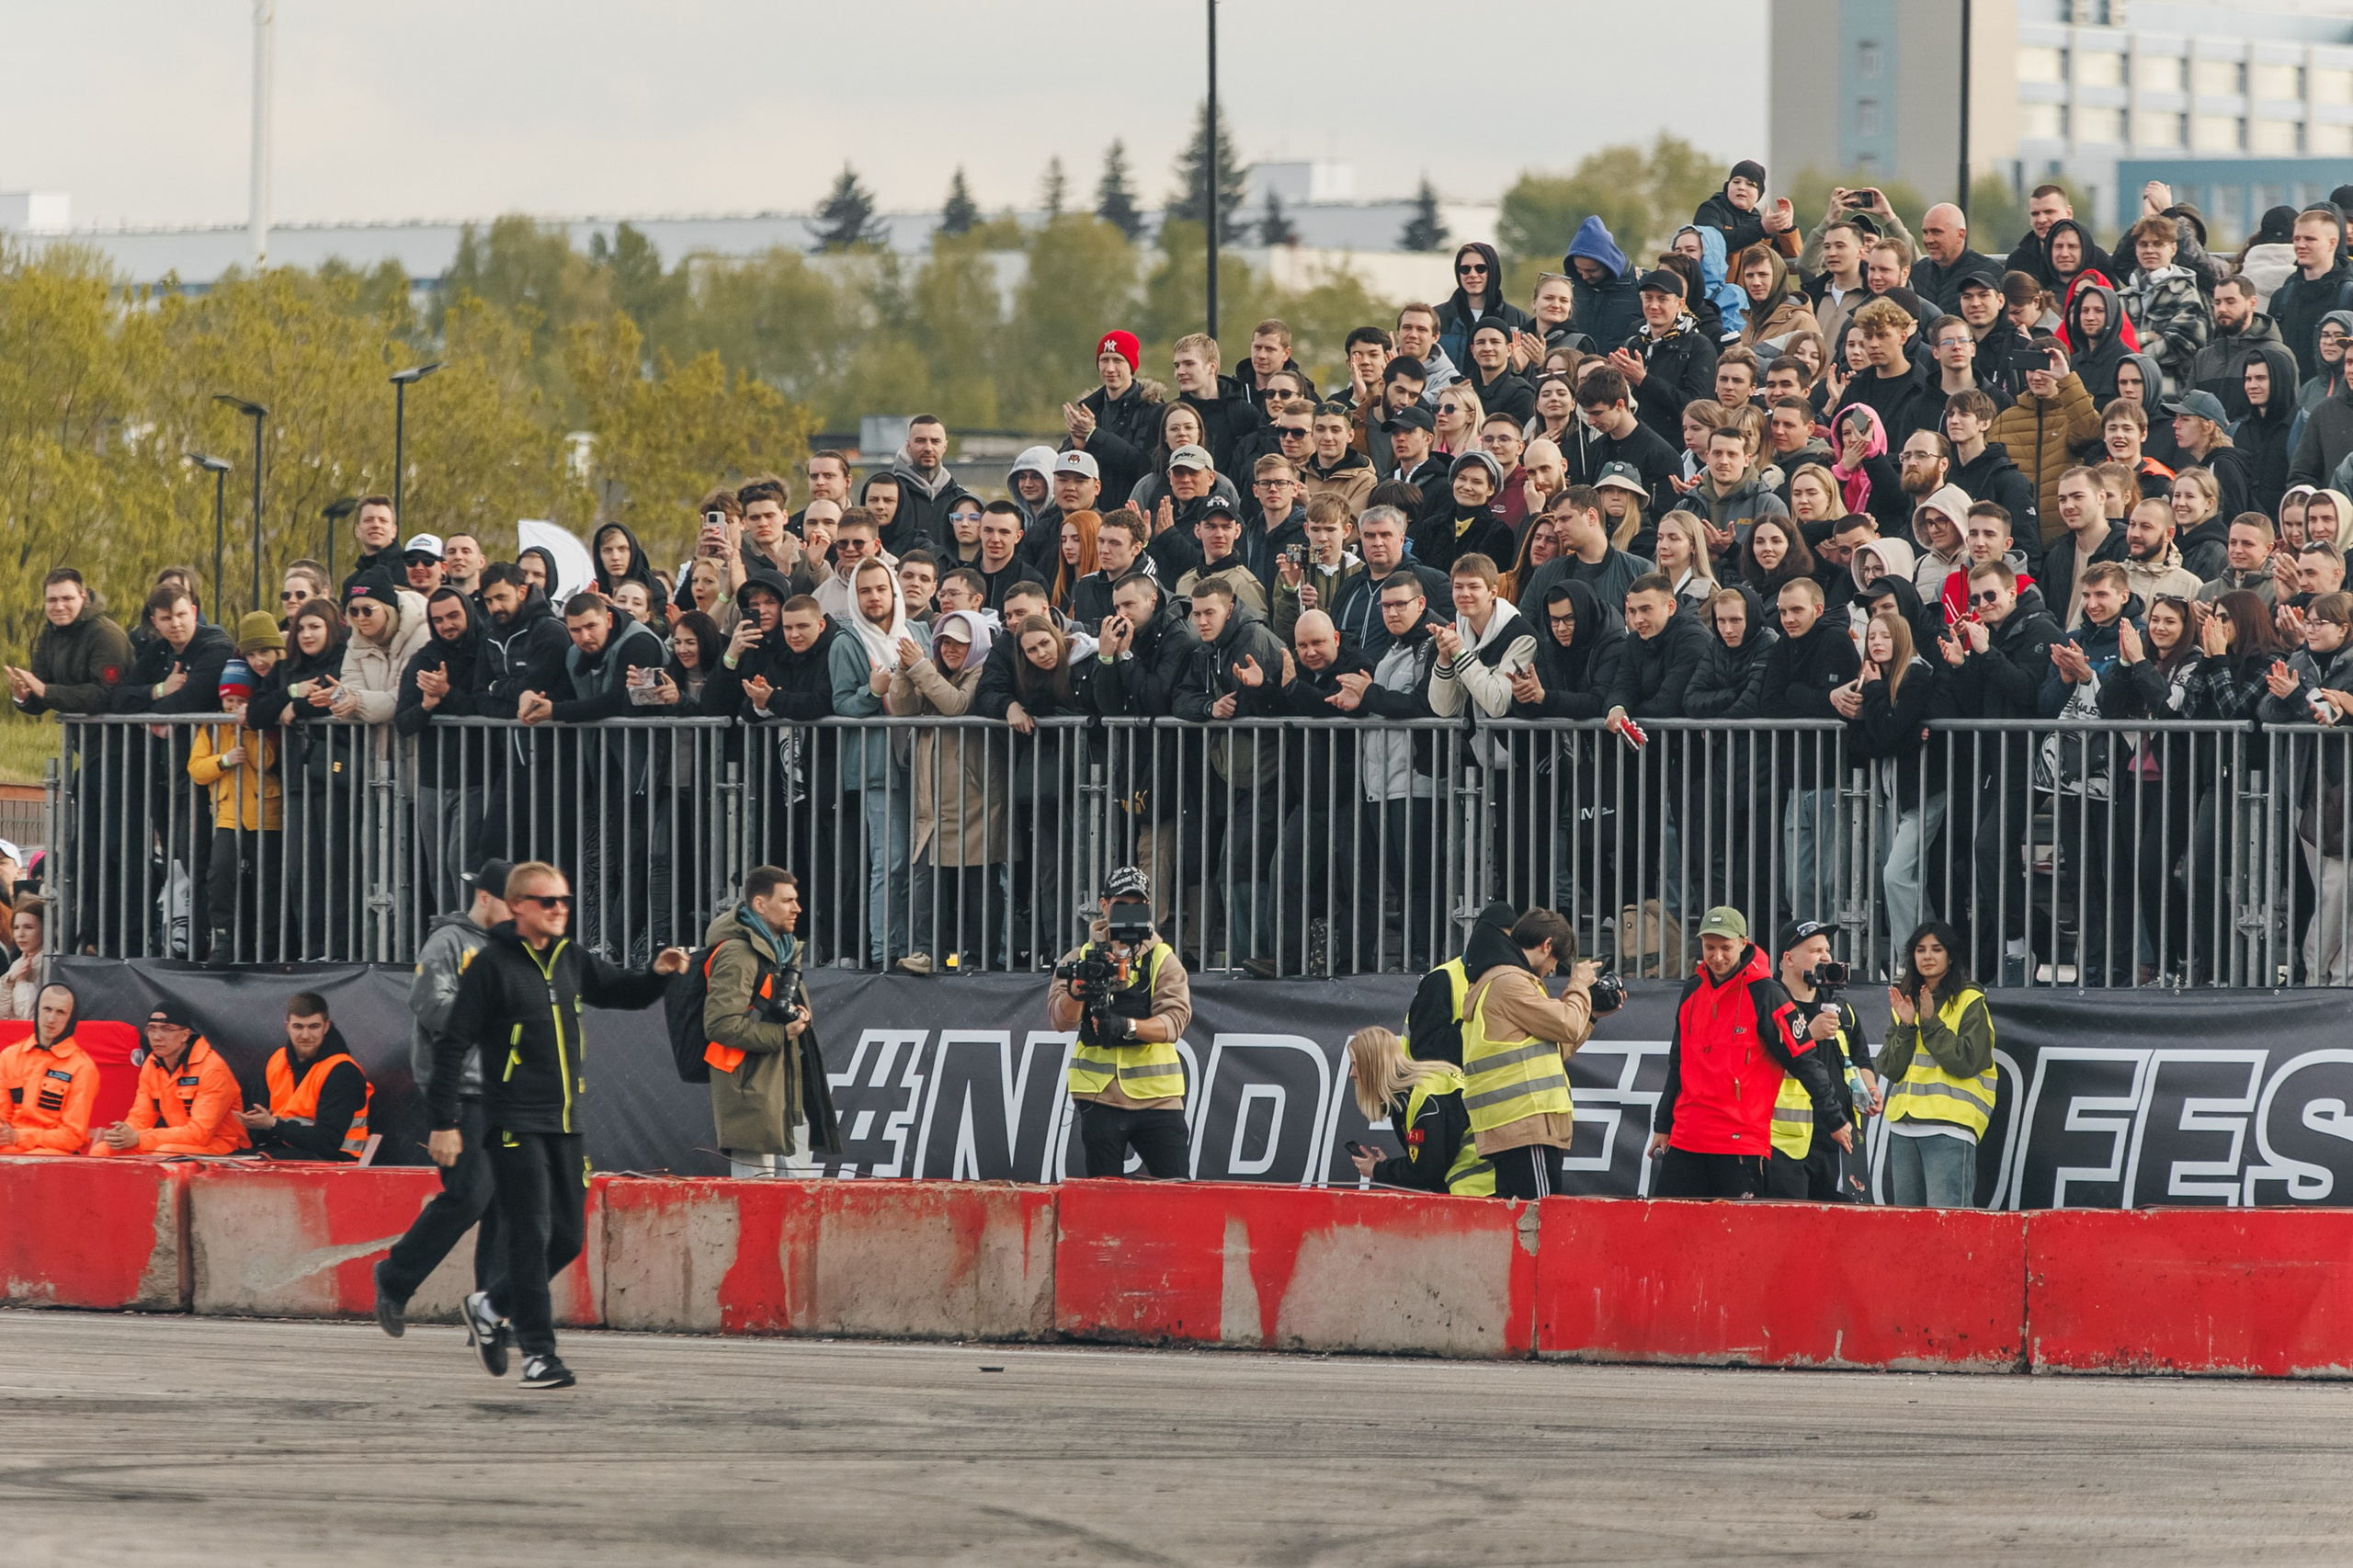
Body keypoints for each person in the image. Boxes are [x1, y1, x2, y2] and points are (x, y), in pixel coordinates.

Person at [431, 862, 689, 1390]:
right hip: (511, 1120)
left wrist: (658, 974)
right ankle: (539, 1355)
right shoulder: (490, 966)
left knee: (567, 1238)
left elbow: (624, 992)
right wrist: (443, 1122)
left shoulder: (570, 958)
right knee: (530, 1235)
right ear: (517, 906)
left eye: (565, 901)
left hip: (564, 1120)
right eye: (547, 901)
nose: (559, 910)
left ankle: (489, 1306)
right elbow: (452, 1044)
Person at [374, 859, 513, 1340]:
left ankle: (490, 1314)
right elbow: (430, 1004)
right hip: (460, 1089)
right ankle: (395, 1276)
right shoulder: (449, 942)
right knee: (469, 1195)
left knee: (504, 1203)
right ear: (485, 898)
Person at [1647, 906, 1842, 1199]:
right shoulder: (1691, 991)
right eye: (1709, 947)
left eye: (1725, 948)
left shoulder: (1767, 993)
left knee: (1737, 1230)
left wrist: (1835, 1119)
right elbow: (1678, 1064)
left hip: (1740, 1145)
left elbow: (1803, 1061)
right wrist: (1663, 1125)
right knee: (1669, 1225)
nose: (1717, 957)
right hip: (1687, 1138)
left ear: (1743, 943)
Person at [1050, 868, 1194, 1179]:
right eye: (1121, 904)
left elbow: (1174, 1022)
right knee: (1104, 1196)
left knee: (1178, 1192)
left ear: (1148, 907)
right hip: (1099, 1096)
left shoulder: (1163, 958)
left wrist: (1126, 1026)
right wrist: (1077, 992)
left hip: (1159, 1099)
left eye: (1137, 905)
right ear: (1104, 905)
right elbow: (1060, 1020)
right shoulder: (1080, 957)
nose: (1130, 912)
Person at [701, 865, 838, 1177]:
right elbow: (720, 1025)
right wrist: (782, 1033)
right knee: (755, 1193)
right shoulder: (737, 954)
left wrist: (799, 1015)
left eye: (796, 900)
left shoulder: (784, 951)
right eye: (787, 900)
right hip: (751, 1088)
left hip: (786, 1083)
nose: (797, 908)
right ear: (760, 904)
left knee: (799, 1189)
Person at [1459, 907, 1597, 1199]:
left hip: (1515, 1126)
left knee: (1518, 1217)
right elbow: (1568, 1023)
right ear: (1547, 945)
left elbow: (1552, 1048)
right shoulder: (1509, 983)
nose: (1552, 970)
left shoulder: (1499, 981)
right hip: (1525, 1124)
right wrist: (1579, 984)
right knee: (1541, 1214)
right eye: (1555, 961)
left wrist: (1592, 1016)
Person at [1878, 922, 1996, 1209]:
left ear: (1950, 956)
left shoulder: (1969, 1000)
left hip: (1950, 1127)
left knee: (1948, 1224)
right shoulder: (1905, 1001)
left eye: (1936, 949)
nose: (1927, 956)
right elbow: (1889, 1068)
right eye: (1920, 950)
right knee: (1909, 1226)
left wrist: (1930, 1024)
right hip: (1904, 1126)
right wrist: (1907, 1027)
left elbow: (1967, 1061)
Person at [1761, 922, 1870, 1202]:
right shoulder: (1769, 1003)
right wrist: (1809, 1034)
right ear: (1788, 959)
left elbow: (1860, 1058)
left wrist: (1870, 1088)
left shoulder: (1840, 1008)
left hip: (1833, 1139)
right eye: (1815, 951)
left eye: (1827, 950)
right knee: (1785, 1222)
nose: (1825, 957)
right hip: (1783, 1143)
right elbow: (1760, 1063)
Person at [89, 1000, 249, 1158]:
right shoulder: (152, 1063)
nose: (157, 1037)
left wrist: (139, 1137)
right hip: (174, 1144)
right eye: (152, 1029)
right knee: (103, 1150)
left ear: (185, 1035)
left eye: (166, 1029)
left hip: (224, 1146)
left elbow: (200, 1134)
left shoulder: (212, 1068)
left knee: (164, 1153)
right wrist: (125, 1133)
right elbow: (140, 1117)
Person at [1344, 1026, 1491, 1195]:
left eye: (1355, 1065)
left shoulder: (1423, 1098)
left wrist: (1378, 1170)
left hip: (1477, 1189)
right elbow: (1431, 1160)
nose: (1352, 1074)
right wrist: (1386, 1166)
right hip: (1488, 1183)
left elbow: (1427, 1171)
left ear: (1372, 1066)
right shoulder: (1425, 1085)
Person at [241, 993, 374, 1162]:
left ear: (326, 1026)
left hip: (335, 1161)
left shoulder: (343, 1071)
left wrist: (273, 1125)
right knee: (226, 1164)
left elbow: (328, 1141)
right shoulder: (276, 1061)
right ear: (287, 1027)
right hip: (283, 1153)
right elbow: (258, 1134)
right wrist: (257, 1122)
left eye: (313, 1027)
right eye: (298, 1027)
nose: (305, 1035)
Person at [8, 567, 134, 718]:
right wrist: (24, 697)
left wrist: (46, 691)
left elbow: (107, 694)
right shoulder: (50, 634)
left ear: (83, 596)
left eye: (67, 599)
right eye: (52, 600)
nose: (59, 607)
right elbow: (41, 690)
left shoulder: (106, 635)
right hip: (77, 731)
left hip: (116, 730)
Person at [0, 983, 99, 1156]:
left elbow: (73, 1136)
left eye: (60, 1012)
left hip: (53, 1154)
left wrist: (20, 1137)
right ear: (37, 1010)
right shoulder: (9, 1056)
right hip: (9, 1148)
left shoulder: (83, 1067)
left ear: (70, 1019)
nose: (52, 1018)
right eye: (47, 1009)